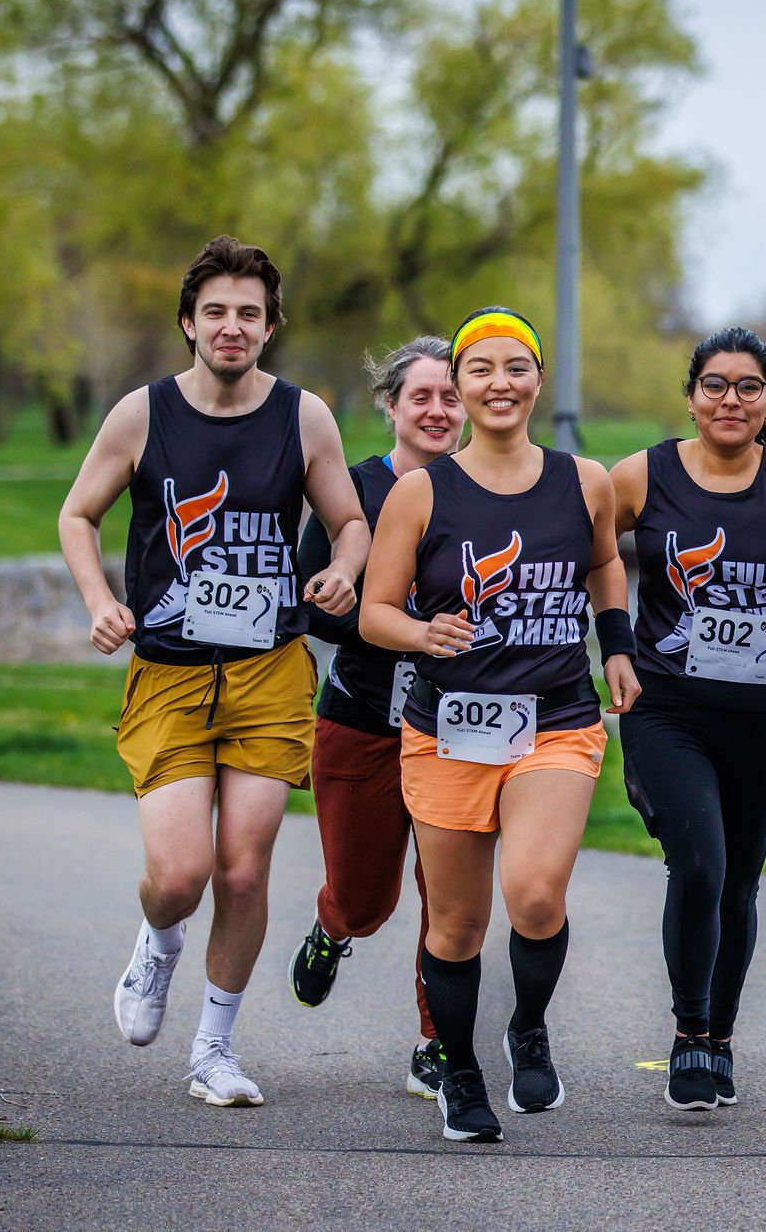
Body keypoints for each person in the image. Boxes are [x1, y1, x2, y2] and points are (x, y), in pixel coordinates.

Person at [57, 235, 369, 1107]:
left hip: (270, 671)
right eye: (217, 313)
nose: (233, 327)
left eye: (249, 314)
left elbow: (348, 521)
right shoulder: (142, 415)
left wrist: (345, 569)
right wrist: (99, 601)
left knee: (241, 871)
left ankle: (214, 1051)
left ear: (270, 327)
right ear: (189, 324)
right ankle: (159, 943)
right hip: (170, 674)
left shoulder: (304, 417)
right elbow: (77, 515)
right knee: (180, 876)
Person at [358, 307, 640, 1143]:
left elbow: (605, 563)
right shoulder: (421, 493)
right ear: (459, 385)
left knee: (537, 895)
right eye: (480, 370)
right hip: (448, 729)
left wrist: (617, 648)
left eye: (516, 367)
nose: (499, 384)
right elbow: (375, 612)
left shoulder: (584, 480)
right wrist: (422, 633)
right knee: (456, 925)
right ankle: (460, 1072)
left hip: (555, 720)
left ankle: (528, 1027)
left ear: (538, 381)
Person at [611, 327, 766, 1110]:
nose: (730, 400)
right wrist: (613, 645)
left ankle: (720, 1038)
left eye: (749, 387)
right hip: (669, 711)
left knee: (740, 882)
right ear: (691, 396)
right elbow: (586, 553)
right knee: (701, 865)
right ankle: (689, 1032)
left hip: (763, 713)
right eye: (714, 385)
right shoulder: (642, 475)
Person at [284, 337, 459, 1098]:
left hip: (459, 728)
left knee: (449, 898)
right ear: (391, 405)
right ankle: (332, 927)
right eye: (421, 396)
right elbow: (308, 602)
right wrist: (392, 624)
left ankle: (437, 1042)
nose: (438, 410)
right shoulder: (356, 492)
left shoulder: (491, 487)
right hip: (363, 721)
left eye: (451, 396)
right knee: (366, 901)